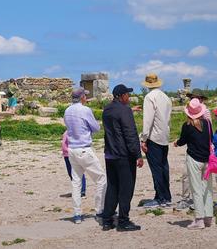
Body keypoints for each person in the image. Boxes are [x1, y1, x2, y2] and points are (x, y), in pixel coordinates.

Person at [101, 84, 144, 232]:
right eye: (127, 94)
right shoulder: (124, 110)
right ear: (121, 96)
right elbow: (130, 134)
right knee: (126, 189)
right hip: (123, 155)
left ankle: (107, 220)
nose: (129, 97)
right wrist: (138, 155)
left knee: (112, 187)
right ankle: (123, 221)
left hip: (110, 154)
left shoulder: (107, 109)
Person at [64, 87, 107, 224]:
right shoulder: (85, 110)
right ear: (82, 97)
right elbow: (96, 128)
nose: (86, 98)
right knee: (101, 179)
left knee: (76, 182)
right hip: (84, 149)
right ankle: (99, 210)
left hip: (72, 149)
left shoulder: (67, 110)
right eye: (85, 96)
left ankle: (77, 214)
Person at [174, 98, 214, 229]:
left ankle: (199, 220)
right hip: (207, 159)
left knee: (196, 189)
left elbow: (183, 140)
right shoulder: (207, 123)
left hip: (194, 159)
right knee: (207, 189)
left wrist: (176, 143)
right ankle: (208, 218)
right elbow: (211, 139)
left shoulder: (187, 125)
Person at [140, 73, 173, 208]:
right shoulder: (166, 97)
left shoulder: (149, 97)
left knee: (156, 169)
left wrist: (143, 139)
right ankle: (166, 195)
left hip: (154, 136)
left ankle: (160, 197)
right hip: (164, 135)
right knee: (164, 167)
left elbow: (148, 120)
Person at [175, 88, 208, 211]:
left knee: (190, 176)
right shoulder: (204, 118)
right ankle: (200, 204)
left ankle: (190, 201)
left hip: (195, 153)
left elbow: (186, 137)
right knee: (198, 178)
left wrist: (178, 143)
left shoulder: (191, 123)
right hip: (204, 152)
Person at [61, 131, 86, 198]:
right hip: (66, 155)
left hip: (72, 154)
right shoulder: (66, 131)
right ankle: (77, 190)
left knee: (78, 172)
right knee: (70, 173)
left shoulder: (74, 131)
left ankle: (82, 191)